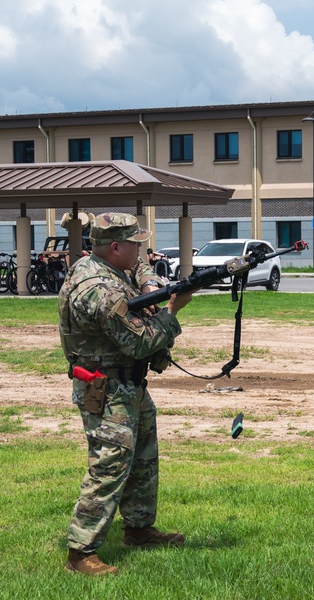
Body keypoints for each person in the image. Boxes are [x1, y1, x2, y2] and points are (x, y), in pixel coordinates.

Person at [59, 212, 195, 575]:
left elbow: (141, 270)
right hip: (106, 388)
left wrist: (151, 285)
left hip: (128, 384)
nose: (142, 249)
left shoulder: (106, 266)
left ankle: (138, 529)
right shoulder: (98, 290)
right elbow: (141, 342)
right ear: (116, 247)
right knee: (109, 466)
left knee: (143, 459)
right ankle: (80, 552)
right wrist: (171, 308)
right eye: (135, 243)